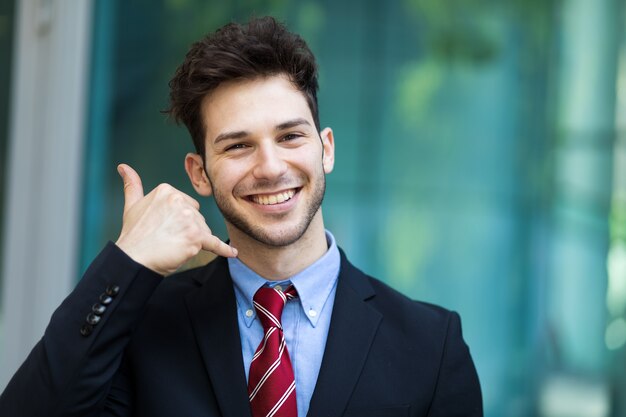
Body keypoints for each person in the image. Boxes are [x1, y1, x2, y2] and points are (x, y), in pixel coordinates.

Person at [0, 16, 482, 417]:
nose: (271, 167)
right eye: (238, 145)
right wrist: (127, 263)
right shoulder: (144, 327)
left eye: (290, 136)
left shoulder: (431, 345)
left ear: (325, 149)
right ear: (200, 173)